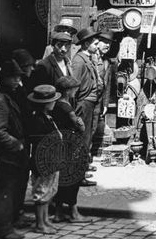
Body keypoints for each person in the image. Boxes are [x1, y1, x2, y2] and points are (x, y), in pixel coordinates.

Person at [0, 61, 29, 239]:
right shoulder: (1, 100)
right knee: (4, 191)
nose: (18, 81)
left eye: (19, 77)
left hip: (9, 154)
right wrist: (16, 144)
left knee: (8, 190)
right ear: (5, 79)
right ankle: (3, 230)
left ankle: (5, 225)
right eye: (15, 77)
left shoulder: (9, 95)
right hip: (6, 155)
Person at [52, 76, 90, 224]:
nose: (76, 90)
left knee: (62, 178)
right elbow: (80, 126)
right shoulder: (67, 108)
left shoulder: (55, 104)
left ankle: (58, 212)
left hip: (60, 144)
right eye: (74, 88)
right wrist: (80, 125)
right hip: (70, 145)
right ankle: (74, 213)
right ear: (67, 91)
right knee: (74, 178)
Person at [27, 85, 62, 234]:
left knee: (48, 191)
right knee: (41, 192)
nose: (54, 103)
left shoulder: (47, 118)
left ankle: (45, 219)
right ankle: (40, 223)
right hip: (44, 162)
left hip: (52, 161)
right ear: (46, 103)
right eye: (53, 101)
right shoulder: (38, 120)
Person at [71, 27, 102, 187]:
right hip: (83, 104)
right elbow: (74, 87)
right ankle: (78, 175)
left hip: (89, 104)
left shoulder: (86, 58)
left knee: (86, 139)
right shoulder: (78, 61)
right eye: (95, 43)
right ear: (86, 44)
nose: (97, 46)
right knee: (81, 140)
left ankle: (81, 170)